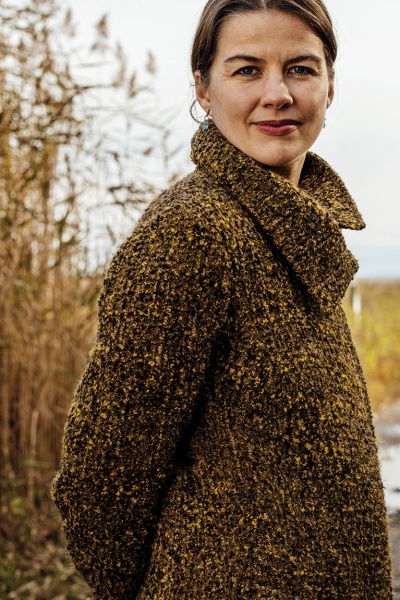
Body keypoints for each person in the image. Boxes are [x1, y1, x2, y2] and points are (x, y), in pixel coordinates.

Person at [51, 0, 394, 598]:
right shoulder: (191, 233)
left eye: (301, 68)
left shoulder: (292, 226)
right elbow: (101, 483)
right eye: (246, 70)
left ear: (330, 85)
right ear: (204, 90)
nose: (277, 94)